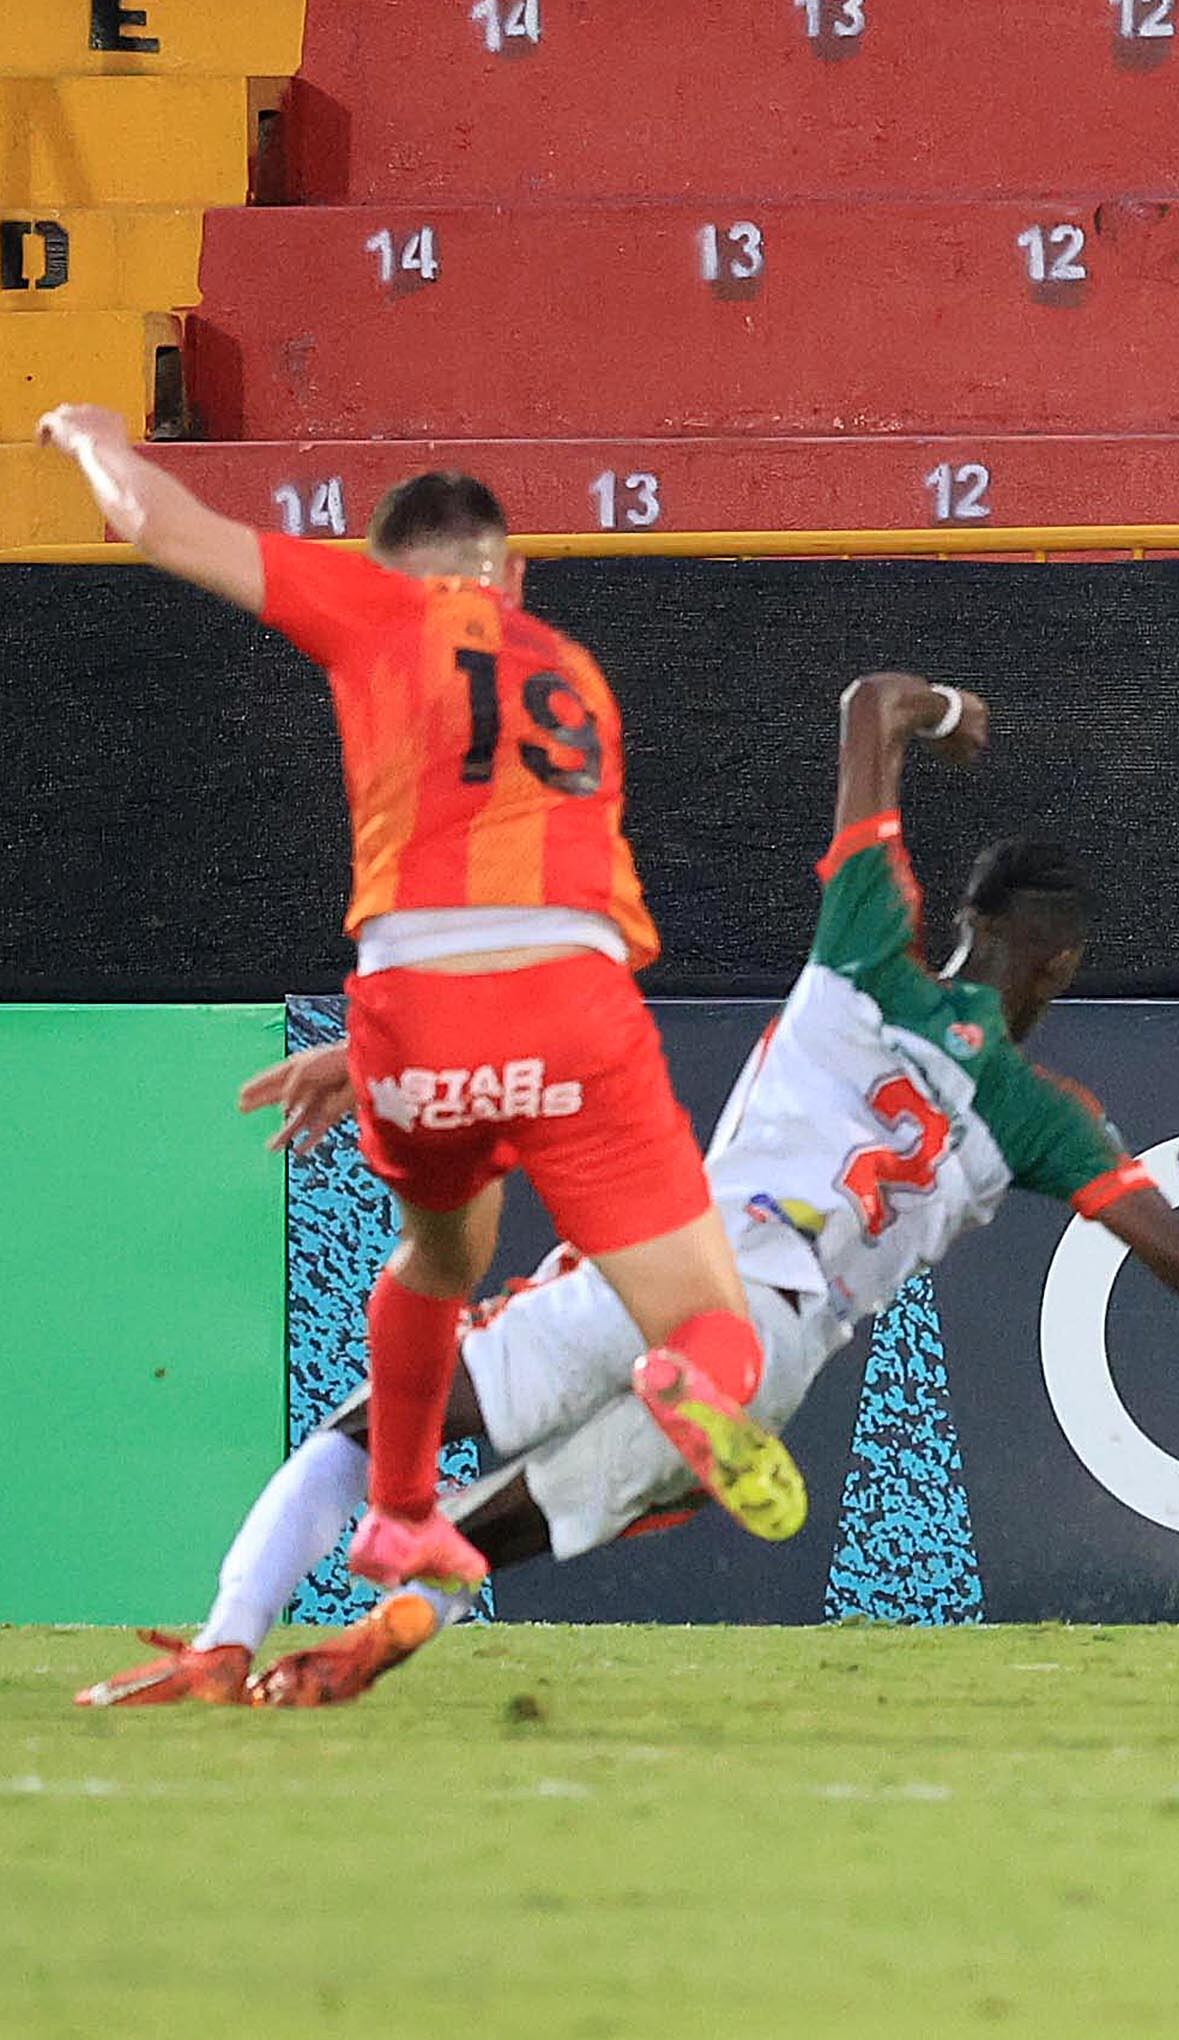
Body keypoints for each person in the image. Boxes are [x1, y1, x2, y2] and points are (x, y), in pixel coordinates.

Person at [78, 672, 1179, 1707]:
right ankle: (365, 1650)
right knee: (505, 1523)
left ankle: (227, 1643)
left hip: (672, 1262)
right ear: (1060, 963)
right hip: (783, 1344)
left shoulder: (863, 948)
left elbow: (869, 700)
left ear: (967, 920)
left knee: (372, 1434)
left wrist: (945, 717)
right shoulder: (1047, 1117)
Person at [36, 410, 792, 1604]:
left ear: (383, 565)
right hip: (572, 1003)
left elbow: (151, 522)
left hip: (412, 1011)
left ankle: (395, 1515)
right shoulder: (576, 673)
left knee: (442, 1258)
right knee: (717, 1329)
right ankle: (682, 1385)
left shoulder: (375, 607)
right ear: (514, 575)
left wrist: (85, 433)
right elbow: (533, 887)